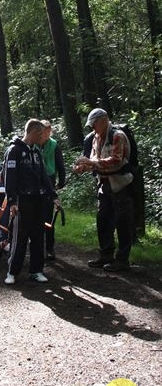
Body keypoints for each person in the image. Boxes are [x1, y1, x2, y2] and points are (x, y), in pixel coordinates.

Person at [73, 108, 134, 272]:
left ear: (104, 120)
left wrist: (91, 163)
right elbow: (95, 160)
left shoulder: (118, 136)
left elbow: (116, 159)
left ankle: (122, 260)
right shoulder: (95, 138)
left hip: (120, 184)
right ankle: (106, 255)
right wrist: (83, 167)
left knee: (122, 222)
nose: (93, 127)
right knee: (103, 220)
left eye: (94, 124)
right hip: (103, 184)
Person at [3, 119, 60, 285]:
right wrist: (12, 200)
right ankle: (12, 271)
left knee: (38, 235)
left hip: (38, 199)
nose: (43, 137)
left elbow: (44, 176)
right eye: (41, 134)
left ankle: (36, 270)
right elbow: (9, 177)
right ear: (34, 132)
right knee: (19, 236)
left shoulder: (36, 152)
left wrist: (53, 196)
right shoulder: (13, 150)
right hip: (22, 200)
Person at [39, 120, 66, 260]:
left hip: (49, 181)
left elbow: (60, 165)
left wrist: (61, 182)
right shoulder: (33, 144)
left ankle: (49, 247)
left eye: (48, 131)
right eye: (44, 131)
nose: (46, 133)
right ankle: (35, 244)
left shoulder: (54, 145)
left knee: (48, 217)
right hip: (35, 182)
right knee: (35, 215)